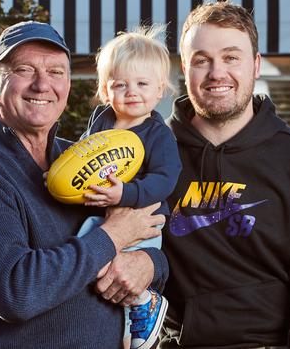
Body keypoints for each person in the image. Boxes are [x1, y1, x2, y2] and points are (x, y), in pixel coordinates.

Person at [0, 21, 168, 348]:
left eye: (56, 72)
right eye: (24, 69)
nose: (42, 85)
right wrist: (114, 236)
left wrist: (148, 264)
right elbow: (17, 293)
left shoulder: (81, 160)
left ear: (68, 85)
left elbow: (149, 229)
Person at [160, 1, 290, 349]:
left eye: (231, 57)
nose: (217, 73)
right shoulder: (155, 155)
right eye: (202, 60)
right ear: (184, 68)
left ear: (255, 65)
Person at [71, 25, 181, 349]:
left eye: (142, 84)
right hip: (101, 218)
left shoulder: (157, 134)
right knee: (82, 260)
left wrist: (126, 194)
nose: (131, 91)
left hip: (142, 224)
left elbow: (166, 178)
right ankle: (120, 313)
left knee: (119, 269)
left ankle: (143, 302)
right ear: (106, 90)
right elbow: (82, 154)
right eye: (121, 84)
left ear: (159, 90)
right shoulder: (102, 121)